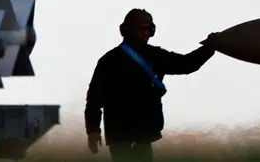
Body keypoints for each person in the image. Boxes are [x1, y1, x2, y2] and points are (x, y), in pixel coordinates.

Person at [85, 9, 217, 162]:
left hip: (140, 135)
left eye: (149, 29)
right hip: (122, 135)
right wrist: (93, 130)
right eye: (141, 29)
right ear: (127, 30)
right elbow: (94, 99)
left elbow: (186, 64)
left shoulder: (154, 56)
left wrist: (209, 48)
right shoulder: (109, 61)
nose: (146, 33)